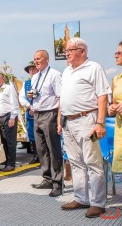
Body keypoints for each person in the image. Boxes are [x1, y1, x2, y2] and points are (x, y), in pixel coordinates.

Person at [60, 37, 110, 218]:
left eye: (70, 50)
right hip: (68, 122)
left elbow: (102, 96)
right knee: (75, 161)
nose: (67, 53)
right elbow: (62, 98)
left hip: (87, 120)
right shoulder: (66, 71)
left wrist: (100, 123)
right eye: (66, 50)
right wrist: (60, 120)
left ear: (82, 51)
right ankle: (81, 198)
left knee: (92, 162)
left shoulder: (94, 68)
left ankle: (98, 202)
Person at [29, 50, 63, 197]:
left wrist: (59, 119)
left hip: (50, 113)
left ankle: (57, 182)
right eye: (34, 59)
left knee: (53, 149)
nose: (36, 61)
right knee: (41, 149)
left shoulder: (55, 74)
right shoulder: (35, 77)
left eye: (38, 59)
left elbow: (60, 97)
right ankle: (47, 178)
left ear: (47, 59)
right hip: (37, 114)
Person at [0, 72, 19, 172]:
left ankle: (11, 164)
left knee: (10, 141)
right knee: (3, 141)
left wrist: (12, 117)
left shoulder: (9, 88)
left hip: (8, 116)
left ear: (3, 79)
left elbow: (14, 103)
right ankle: (6, 161)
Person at [19, 61, 40, 164]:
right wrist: (29, 106)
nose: (31, 71)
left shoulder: (42, 81)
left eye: (33, 68)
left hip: (42, 112)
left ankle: (45, 155)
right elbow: (22, 98)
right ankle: (36, 155)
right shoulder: (26, 83)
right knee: (32, 134)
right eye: (30, 69)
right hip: (30, 113)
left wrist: (35, 107)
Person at [109, 41, 122, 173]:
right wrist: (111, 108)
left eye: (119, 53)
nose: (116, 55)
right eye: (116, 52)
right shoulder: (116, 79)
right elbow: (112, 103)